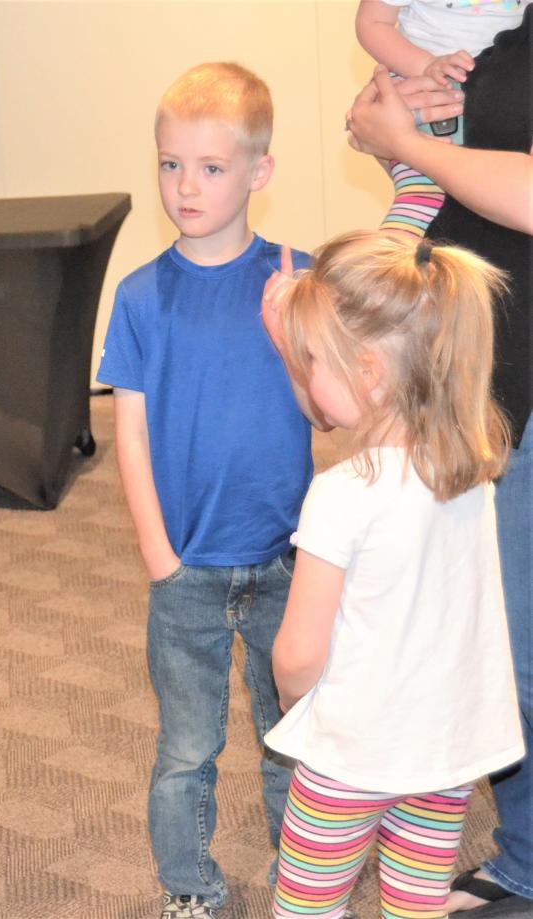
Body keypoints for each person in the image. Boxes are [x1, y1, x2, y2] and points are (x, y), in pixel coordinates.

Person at [96, 62, 321, 919]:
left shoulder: (292, 282)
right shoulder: (141, 296)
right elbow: (131, 431)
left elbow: (323, 412)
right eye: (169, 164)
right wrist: (158, 553)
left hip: (285, 560)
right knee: (187, 744)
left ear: (259, 172)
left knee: (290, 732)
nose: (185, 187)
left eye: (211, 167)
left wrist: (289, 328)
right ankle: (189, 884)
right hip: (184, 566)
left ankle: (301, 864)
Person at [260, 229, 524, 919]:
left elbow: (297, 652)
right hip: (443, 751)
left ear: (370, 372)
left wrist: (295, 702)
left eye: (312, 358)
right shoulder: (470, 474)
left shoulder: (344, 493)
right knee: (416, 905)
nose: (305, 370)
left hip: (349, 755)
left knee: (308, 907)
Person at [346, 12, 532, 911]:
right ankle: (523, 856)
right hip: (489, 366)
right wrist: (398, 132)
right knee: (492, 629)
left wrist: (408, 137)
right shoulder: (512, 29)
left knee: (518, 646)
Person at [354, 0, 527, 237]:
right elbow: (372, 22)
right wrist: (425, 65)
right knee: (422, 194)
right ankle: (386, 264)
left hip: (495, 84)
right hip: (426, 79)